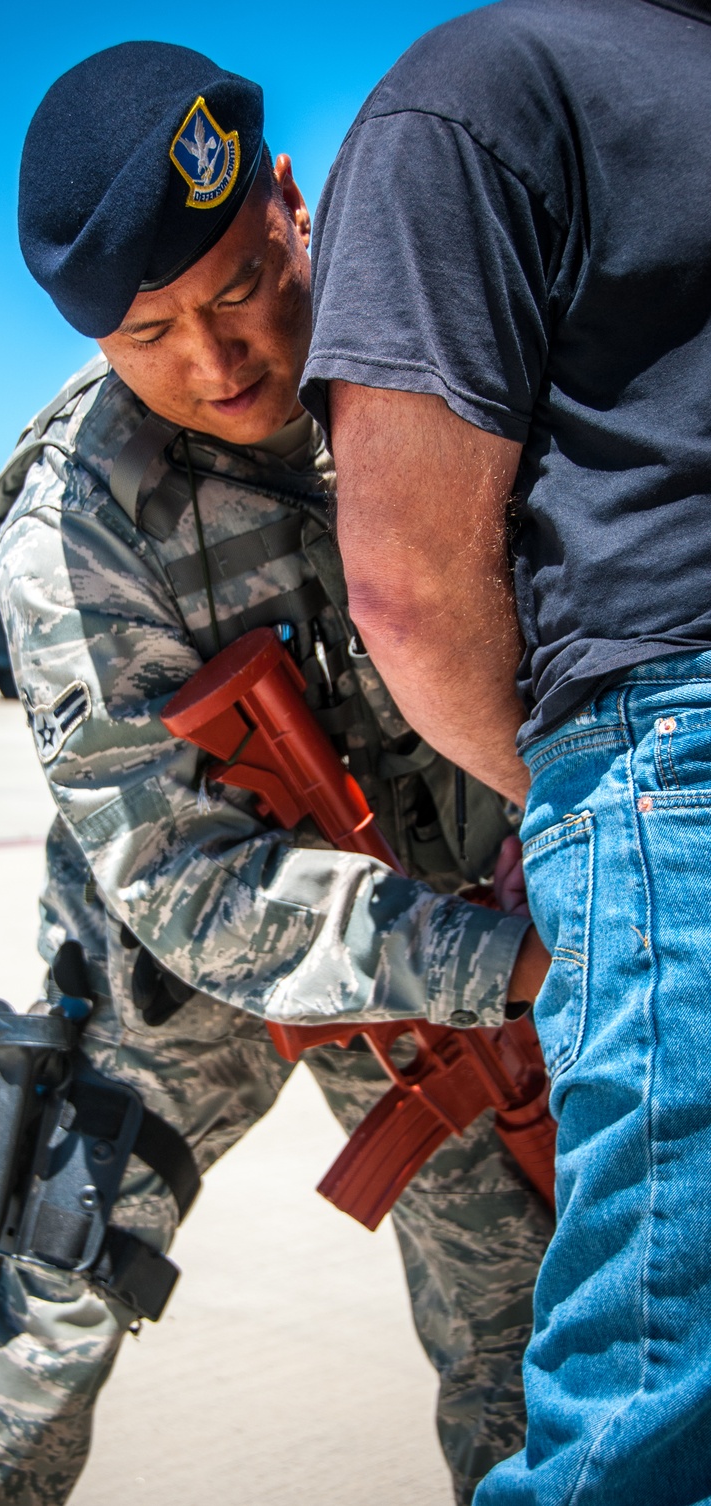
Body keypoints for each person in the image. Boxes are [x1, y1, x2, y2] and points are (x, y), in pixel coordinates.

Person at [0, 43, 553, 1506]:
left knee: (527, 1347)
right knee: (37, 1338)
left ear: (292, 205)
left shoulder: (440, 353)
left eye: (239, 284)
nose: (219, 358)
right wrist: (505, 963)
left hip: (444, 966)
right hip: (179, 984)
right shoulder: (74, 522)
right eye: (151, 334)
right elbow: (182, 880)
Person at [300, 2, 711, 1502]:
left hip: (657, 784)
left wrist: (591, 812)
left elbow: (402, 590)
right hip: (396, 923)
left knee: (650, 1417)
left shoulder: (475, 88)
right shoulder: (491, 95)